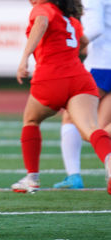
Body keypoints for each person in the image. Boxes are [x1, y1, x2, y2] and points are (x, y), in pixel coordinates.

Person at [10, 0, 111, 195]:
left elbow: (40, 23)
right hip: (80, 78)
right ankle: (109, 161)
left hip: (51, 78)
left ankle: (32, 178)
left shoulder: (43, 8)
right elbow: (81, 41)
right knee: (91, 128)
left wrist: (24, 58)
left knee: (31, 120)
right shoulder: (71, 19)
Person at [54, 0, 111, 189]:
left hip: (101, 64)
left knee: (72, 118)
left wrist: (77, 44)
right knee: (101, 127)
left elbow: (95, 27)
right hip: (104, 62)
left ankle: (74, 176)